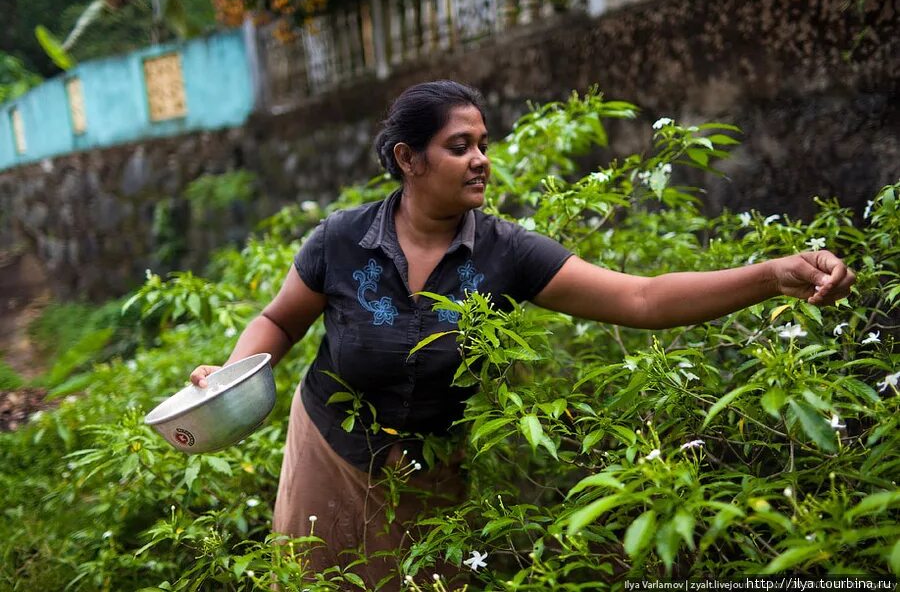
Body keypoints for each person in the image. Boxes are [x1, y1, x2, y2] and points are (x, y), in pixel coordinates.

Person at [190, 80, 855, 588]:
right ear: (408, 158)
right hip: (329, 455)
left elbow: (642, 298)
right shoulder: (342, 240)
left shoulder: (506, 254)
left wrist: (770, 274)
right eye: (460, 147)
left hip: (433, 469)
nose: (481, 160)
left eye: (484, 144)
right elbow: (278, 320)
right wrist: (230, 374)